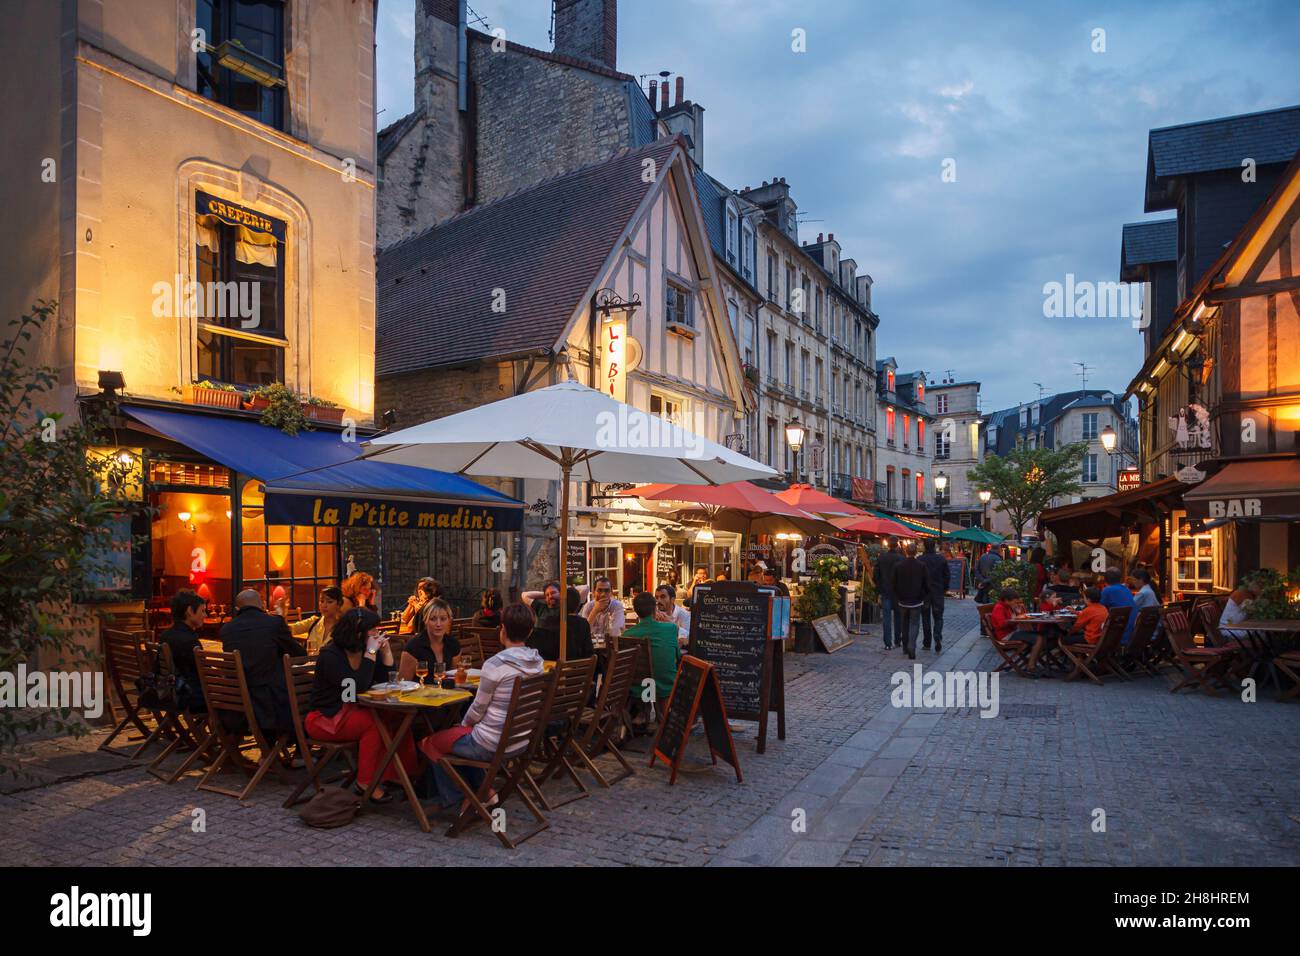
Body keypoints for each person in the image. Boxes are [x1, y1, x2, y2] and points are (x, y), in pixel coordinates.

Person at [425, 603, 546, 813]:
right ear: (530, 631)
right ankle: (485, 792)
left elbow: (478, 707)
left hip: (491, 744)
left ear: (502, 629)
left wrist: (463, 726)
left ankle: (460, 801)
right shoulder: (538, 663)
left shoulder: (495, 664)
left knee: (430, 742)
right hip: (521, 739)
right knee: (458, 739)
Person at [305, 608, 411, 803]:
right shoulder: (331, 655)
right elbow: (355, 688)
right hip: (327, 717)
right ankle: (365, 782)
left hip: (354, 710)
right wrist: (371, 652)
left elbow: (383, 682)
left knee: (396, 718)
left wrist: (386, 654)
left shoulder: (364, 650)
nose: (376, 633)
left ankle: (397, 775)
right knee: (373, 724)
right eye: (372, 629)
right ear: (356, 631)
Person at [219, 589, 306, 736]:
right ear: (262, 604)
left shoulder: (227, 629)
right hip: (273, 702)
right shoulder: (274, 623)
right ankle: (300, 749)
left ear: (237, 609)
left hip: (236, 702)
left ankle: (270, 749)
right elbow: (300, 656)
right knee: (306, 695)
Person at [623, 590, 681, 704]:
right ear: (655, 609)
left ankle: (643, 710)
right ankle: (657, 712)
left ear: (636, 611)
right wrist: (670, 621)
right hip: (666, 685)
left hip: (641, 689)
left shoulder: (627, 635)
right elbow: (677, 656)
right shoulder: (671, 628)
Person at [159, 589, 207, 712]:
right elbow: (204, 672)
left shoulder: (165, 636)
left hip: (173, 692)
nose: (205, 615)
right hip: (193, 698)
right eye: (202, 611)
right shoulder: (190, 641)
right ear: (190, 611)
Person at [400, 597, 460, 682]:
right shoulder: (413, 647)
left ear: (449, 621)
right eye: (433, 619)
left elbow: (454, 678)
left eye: (443, 619)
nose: (438, 624)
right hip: (418, 693)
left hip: (446, 693)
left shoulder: (453, 644)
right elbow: (403, 684)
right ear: (425, 620)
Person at [527, 586, 594, 661]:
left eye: (553, 593)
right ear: (578, 604)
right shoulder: (583, 623)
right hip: (582, 670)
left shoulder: (552, 621)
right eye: (547, 595)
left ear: (560, 602)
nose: (550, 596)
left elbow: (541, 653)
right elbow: (589, 652)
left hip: (558, 670)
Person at [990, 587, 1046, 672]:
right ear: (1006, 600)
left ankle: (1032, 662)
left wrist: (1018, 615)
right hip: (1005, 636)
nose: (1016, 604)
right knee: (1039, 638)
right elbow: (1001, 624)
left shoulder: (1007, 606)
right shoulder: (1000, 607)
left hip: (1012, 632)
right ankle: (1031, 666)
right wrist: (1016, 619)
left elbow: (1014, 621)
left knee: (1041, 634)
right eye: (1015, 602)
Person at [893, 543, 929, 660]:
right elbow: (926, 583)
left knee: (904, 623)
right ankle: (911, 646)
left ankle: (905, 646)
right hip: (916, 600)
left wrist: (898, 595)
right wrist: (923, 595)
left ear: (906, 551)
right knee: (914, 624)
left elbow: (894, 583)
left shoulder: (899, 565)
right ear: (915, 552)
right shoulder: (921, 565)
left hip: (903, 599)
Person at [288, 585, 344, 655]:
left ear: (339, 604)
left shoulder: (343, 627)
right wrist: (281, 614)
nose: (324, 605)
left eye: (329, 602)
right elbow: (290, 629)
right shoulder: (314, 621)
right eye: (322, 601)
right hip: (310, 664)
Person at [918, 539, 950, 653]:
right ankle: (937, 635)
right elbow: (947, 576)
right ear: (935, 546)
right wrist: (945, 588)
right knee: (938, 616)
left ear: (925, 546)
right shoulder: (941, 559)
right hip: (937, 592)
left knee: (925, 617)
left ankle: (927, 642)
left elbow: (918, 578)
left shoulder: (920, 559)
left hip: (924, 593)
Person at [873, 538, 903, 650]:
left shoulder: (882, 557)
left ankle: (887, 643)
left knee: (886, 618)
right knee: (898, 617)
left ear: (888, 545)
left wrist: (879, 587)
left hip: (885, 591)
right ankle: (897, 640)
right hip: (898, 592)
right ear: (897, 545)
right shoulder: (901, 558)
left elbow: (876, 575)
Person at [581, 575, 625, 646]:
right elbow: (583, 633)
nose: (603, 594)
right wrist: (595, 610)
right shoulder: (588, 607)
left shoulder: (617, 606)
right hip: (592, 650)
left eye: (607, 591)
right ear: (594, 592)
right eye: (600, 590)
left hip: (610, 649)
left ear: (611, 592)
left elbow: (614, 633)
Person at [1099, 567, 1137, 644]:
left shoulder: (1107, 590)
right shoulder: (1126, 589)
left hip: (1117, 636)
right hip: (1129, 634)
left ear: (1105, 580)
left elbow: (1098, 609)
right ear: (1120, 579)